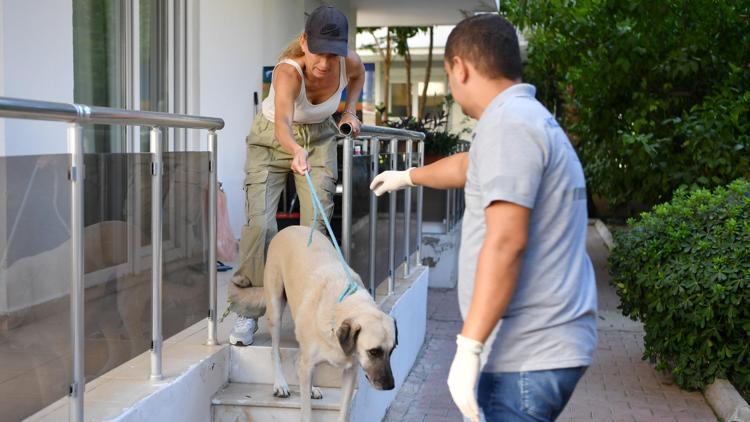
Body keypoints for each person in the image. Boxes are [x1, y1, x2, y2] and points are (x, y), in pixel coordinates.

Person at [370, 14, 597, 422]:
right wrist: (407, 176)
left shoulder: (510, 124)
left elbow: (507, 240)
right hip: (539, 347)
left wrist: (468, 347)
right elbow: (466, 166)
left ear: (460, 67)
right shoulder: (520, 118)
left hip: (526, 352)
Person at [228, 5, 365, 346]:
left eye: (332, 56)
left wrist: (350, 110)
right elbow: (282, 123)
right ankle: (247, 312)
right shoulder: (287, 72)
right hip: (272, 140)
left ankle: (311, 311)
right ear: (305, 42)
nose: (323, 63)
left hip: (319, 138)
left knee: (314, 229)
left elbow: (358, 79)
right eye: (318, 53)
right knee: (261, 226)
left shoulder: (350, 62)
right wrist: (294, 150)